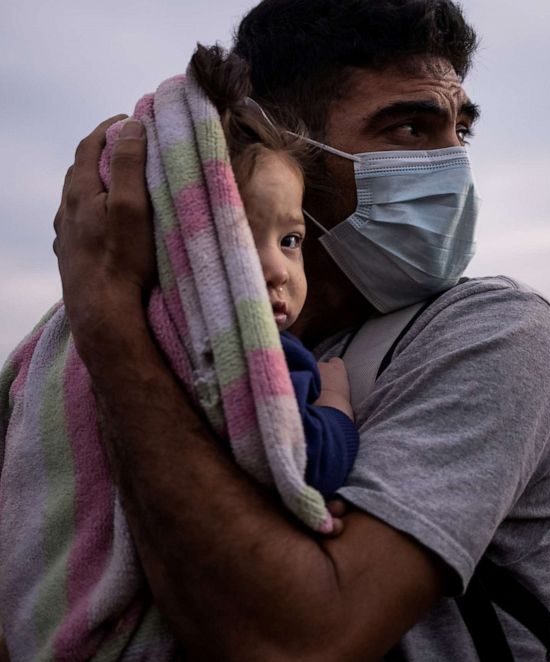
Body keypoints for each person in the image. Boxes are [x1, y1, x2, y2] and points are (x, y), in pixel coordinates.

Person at [53, 0, 550, 659]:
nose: (454, 168)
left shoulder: (497, 333)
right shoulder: (212, 341)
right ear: (288, 150)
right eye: (413, 130)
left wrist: (107, 321)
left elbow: (297, 643)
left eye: (461, 133)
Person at [193, 45, 359, 498]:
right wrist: (335, 406)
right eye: (239, 241)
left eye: (290, 241)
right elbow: (312, 462)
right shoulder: (269, 355)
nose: (276, 270)